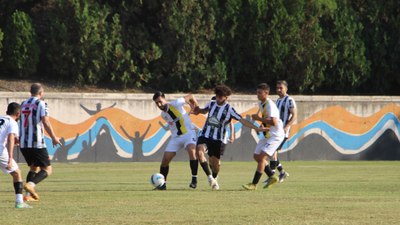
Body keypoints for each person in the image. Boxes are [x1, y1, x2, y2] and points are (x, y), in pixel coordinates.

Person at [193, 85, 265, 190]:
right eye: (217, 95)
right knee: (199, 152)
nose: (218, 98)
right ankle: (210, 178)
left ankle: (214, 177)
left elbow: (242, 120)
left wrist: (256, 128)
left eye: (221, 96)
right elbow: (204, 111)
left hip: (217, 139)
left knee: (215, 164)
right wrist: (198, 110)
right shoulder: (212, 103)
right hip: (205, 135)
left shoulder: (229, 109)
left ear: (226, 97)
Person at [19, 83, 61, 201]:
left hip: (23, 142)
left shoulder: (23, 104)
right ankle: (30, 185)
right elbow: (45, 121)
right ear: (41, 93)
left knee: (33, 167)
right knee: (47, 169)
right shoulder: (41, 103)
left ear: (30, 92)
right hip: (36, 142)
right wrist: (53, 137)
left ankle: (27, 196)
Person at [152, 91, 200, 190]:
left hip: (188, 134)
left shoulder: (176, 103)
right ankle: (162, 184)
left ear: (164, 99)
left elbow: (190, 96)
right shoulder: (163, 115)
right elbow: (175, 123)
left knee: (192, 150)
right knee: (165, 160)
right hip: (176, 138)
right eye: (157, 103)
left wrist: (196, 107)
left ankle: (194, 180)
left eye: (160, 101)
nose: (159, 104)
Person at [242, 83, 285, 190]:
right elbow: (267, 119)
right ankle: (271, 176)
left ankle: (254, 184)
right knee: (256, 156)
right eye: (257, 92)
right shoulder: (262, 104)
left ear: (266, 93)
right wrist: (260, 126)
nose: (257, 94)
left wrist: (258, 119)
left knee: (261, 157)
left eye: (260, 92)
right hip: (267, 134)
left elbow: (274, 122)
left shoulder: (270, 105)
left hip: (275, 135)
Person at [0, 103, 32, 208]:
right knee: (17, 173)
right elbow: (10, 139)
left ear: (6, 112)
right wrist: (10, 158)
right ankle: (19, 202)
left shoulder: (2, 119)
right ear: (18, 114)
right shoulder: (12, 122)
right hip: (0, 150)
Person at [269, 80, 297, 183]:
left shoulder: (289, 100)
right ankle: (281, 172)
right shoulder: (278, 101)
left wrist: (287, 126)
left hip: (283, 132)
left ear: (286, 88)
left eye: (281, 88)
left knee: (272, 151)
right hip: (276, 131)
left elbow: (294, 115)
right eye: (277, 88)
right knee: (273, 152)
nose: (279, 90)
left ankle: (271, 175)